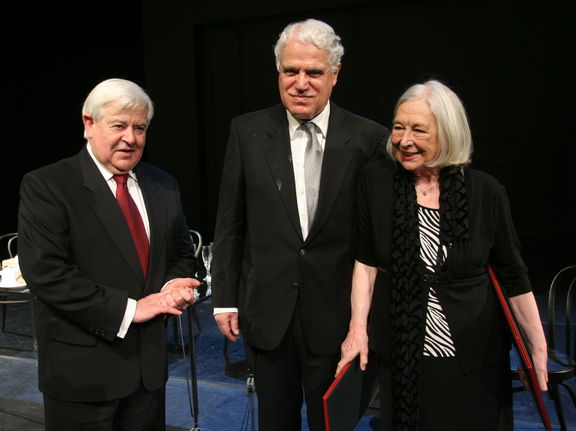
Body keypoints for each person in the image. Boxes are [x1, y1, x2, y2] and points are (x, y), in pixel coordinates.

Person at [337, 80, 548, 431]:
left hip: (473, 358)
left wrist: (536, 349)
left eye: (419, 130)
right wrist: (358, 328)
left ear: (448, 134)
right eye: (398, 127)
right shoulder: (374, 181)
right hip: (402, 354)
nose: (405, 140)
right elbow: (366, 260)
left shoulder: (486, 192)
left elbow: (514, 276)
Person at [211, 18, 389, 431]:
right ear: (279, 72)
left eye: (314, 72)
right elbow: (230, 220)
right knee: (275, 421)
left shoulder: (369, 139)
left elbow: (378, 238)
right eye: (291, 71)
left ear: (335, 75)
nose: (301, 82)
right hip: (268, 315)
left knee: (333, 424)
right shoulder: (247, 131)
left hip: (338, 317)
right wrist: (224, 297)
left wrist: (369, 319)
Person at [18, 78, 200, 431]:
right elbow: (48, 274)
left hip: (148, 376)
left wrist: (176, 282)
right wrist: (133, 309)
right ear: (89, 123)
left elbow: (180, 253)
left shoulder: (163, 184)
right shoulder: (48, 185)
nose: (130, 138)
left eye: (140, 128)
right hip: (82, 378)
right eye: (119, 125)